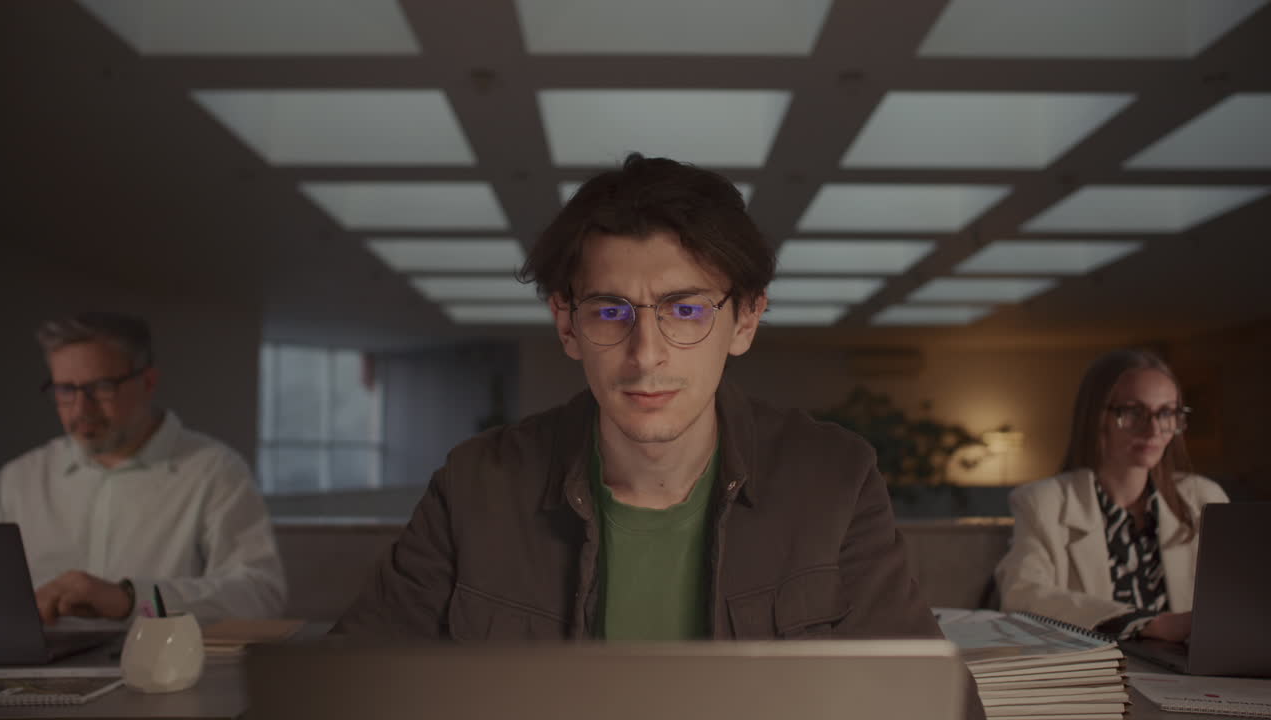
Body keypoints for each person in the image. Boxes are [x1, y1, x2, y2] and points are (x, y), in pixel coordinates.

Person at [337, 154, 983, 719]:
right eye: (610, 310)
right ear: (566, 322)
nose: (646, 355)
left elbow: (932, 704)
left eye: (686, 309)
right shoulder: (478, 483)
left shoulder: (833, 479)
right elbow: (340, 690)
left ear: (745, 319)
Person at [0, 312, 286, 625]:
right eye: (65, 390)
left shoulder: (215, 472)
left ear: (148, 382)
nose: (81, 409)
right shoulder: (17, 480)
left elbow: (261, 595)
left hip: (164, 671)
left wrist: (129, 598)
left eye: (101, 387)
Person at [996, 349, 1229, 641]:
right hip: (1092, 672)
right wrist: (1147, 623)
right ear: (1097, 416)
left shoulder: (1203, 497)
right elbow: (1021, 594)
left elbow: (1237, 597)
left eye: (1167, 413)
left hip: (1189, 676)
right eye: (1133, 412)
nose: (1154, 429)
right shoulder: (1043, 502)